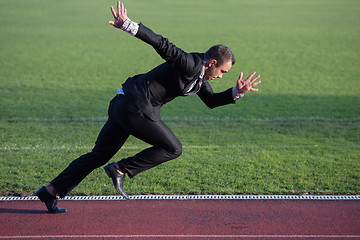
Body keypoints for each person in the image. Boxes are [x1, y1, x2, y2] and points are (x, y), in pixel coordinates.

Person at [35, 1, 261, 213]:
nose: (222, 76)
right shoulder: (191, 64)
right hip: (136, 107)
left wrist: (236, 93)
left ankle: (50, 190)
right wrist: (129, 26)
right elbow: (163, 45)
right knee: (173, 148)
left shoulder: (199, 77)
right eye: (222, 72)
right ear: (212, 63)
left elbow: (211, 102)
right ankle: (121, 169)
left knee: (97, 156)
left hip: (122, 104)